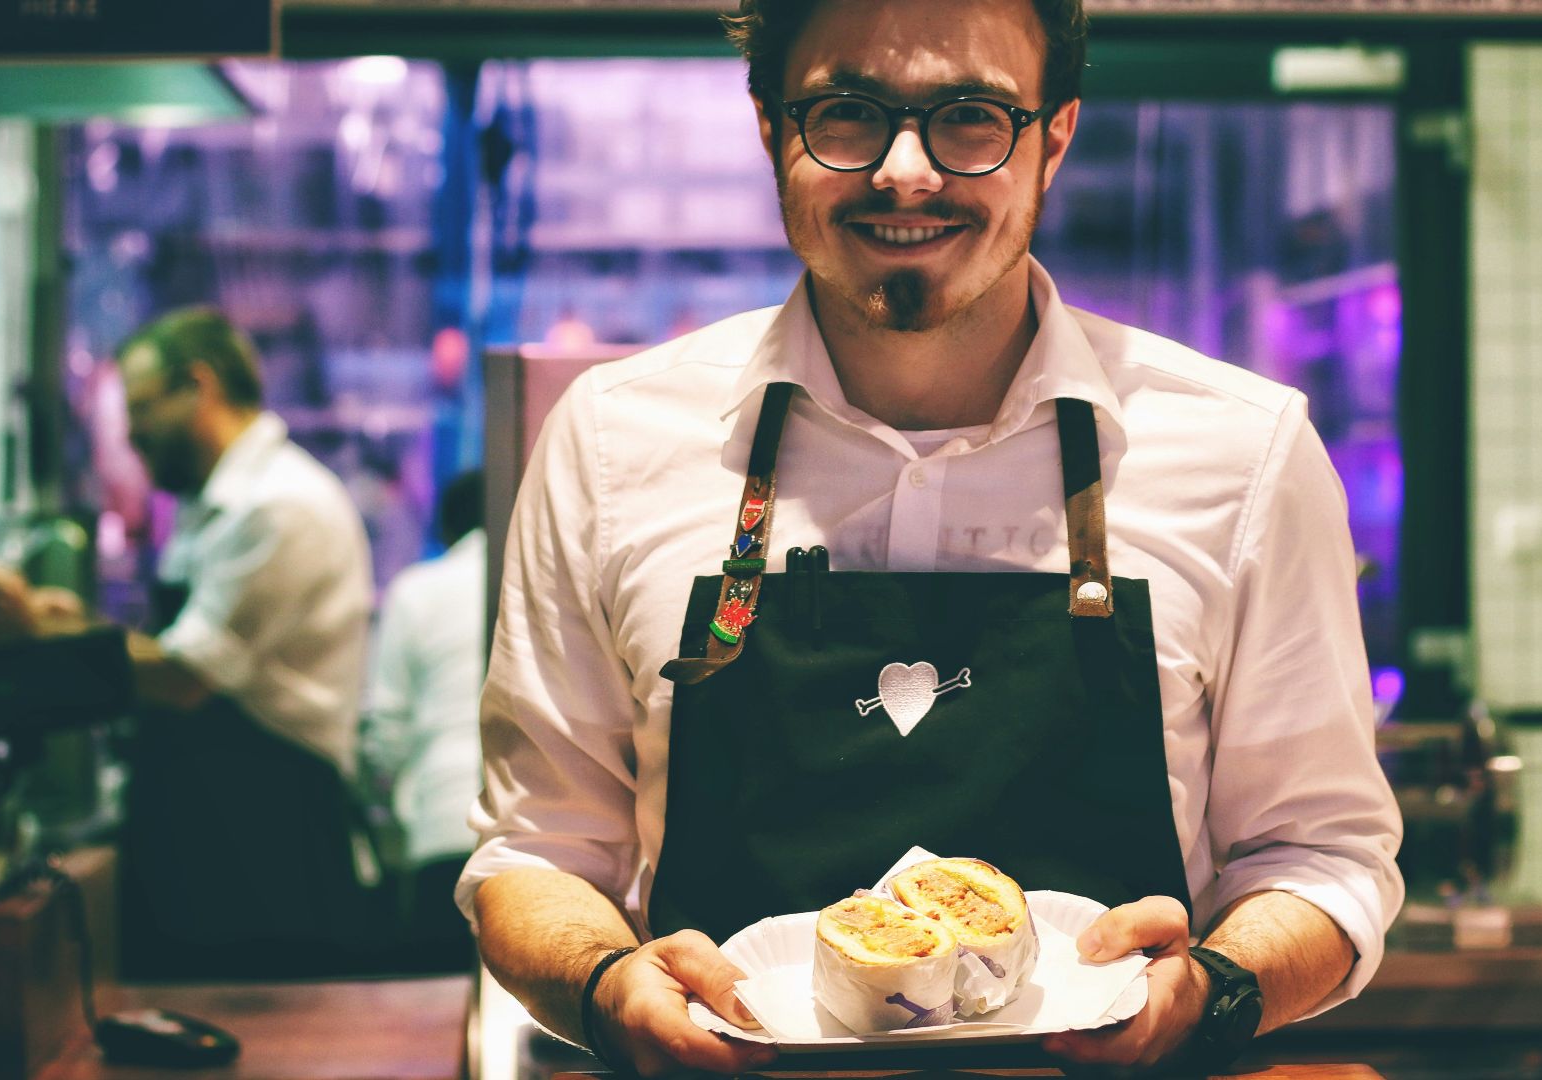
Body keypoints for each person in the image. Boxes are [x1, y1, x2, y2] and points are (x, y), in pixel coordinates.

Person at [461, 1, 1403, 1073]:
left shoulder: (1243, 455)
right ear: (771, 128)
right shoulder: (613, 441)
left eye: (970, 115)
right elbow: (537, 854)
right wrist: (605, 986)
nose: (907, 172)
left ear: (1055, 137)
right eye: (848, 113)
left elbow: (1323, 857)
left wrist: (1216, 989)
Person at [113, 306, 377, 977]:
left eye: (140, 407)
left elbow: (184, 675)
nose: (130, 433)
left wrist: (46, 639)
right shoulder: (216, 504)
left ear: (199, 387)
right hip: (219, 828)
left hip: (266, 837)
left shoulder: (277, 504)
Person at [361, 468, 486, 971]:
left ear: (446, 531)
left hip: (441, 827)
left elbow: (384, 733)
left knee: (439, 1011)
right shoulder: (557, 580)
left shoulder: (418, 590)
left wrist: (386, 818)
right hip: (545, 850)